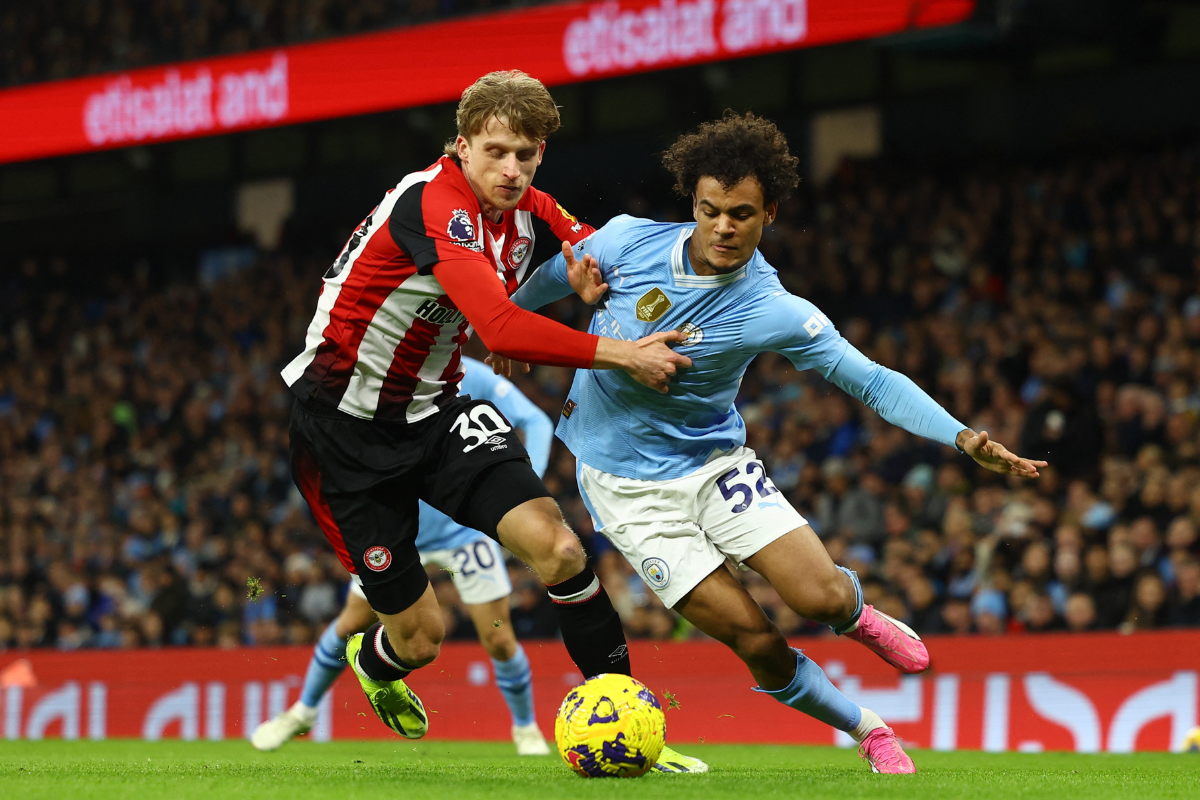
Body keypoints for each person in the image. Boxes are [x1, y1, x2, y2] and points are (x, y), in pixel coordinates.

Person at [510, 113, 1047, 774]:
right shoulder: (625, 242)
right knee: (755, 638)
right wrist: (511, 323)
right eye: (709, 210)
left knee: (817, 597)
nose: (723, 227)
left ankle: (856, 616)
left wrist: (962, 435)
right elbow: (552, 279)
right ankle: (870, 731)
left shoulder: (774, 308)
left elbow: (871, 380)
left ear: (770, 213)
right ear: (694, 204)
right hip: (626, 489)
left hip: (712, 464)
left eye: (741, 213)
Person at [281, 70, 702, 771]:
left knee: (561, 550)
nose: (512, 170)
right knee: (420, 640)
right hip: (342, 431)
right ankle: (376, 665)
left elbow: (600, 249)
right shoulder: (434, 202)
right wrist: (622, 352)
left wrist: (614, 278)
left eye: (527, 154)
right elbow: (501, 331)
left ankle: (627, 718)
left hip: (437, 411)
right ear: (462, 146)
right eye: (497, 151)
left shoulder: (527, 203)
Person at [253, 357, 554, 754]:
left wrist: (519, 493)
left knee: (498, 638)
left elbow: (537, 422)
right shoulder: (380, 372)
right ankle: (303, 711)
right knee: (348, 626)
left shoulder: (471, 374)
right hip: (394, 532)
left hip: (462, 533)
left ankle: (525, 728)